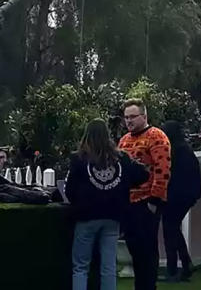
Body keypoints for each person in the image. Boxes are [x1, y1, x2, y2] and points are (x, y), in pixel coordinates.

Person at [66, 120, 149, 290]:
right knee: (109, 266)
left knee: (81, 266)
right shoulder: (121, 157)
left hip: (86, 216)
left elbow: (69, 189)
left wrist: (79, 202)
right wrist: (124, 186)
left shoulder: (79, 158)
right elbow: (143, 174)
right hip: (114, 216)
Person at [119, 99, 172, 290]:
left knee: (147, 251)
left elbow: (163, 170)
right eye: (126, 117)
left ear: (144, 116)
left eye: (133, 116)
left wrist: (154, 201)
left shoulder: (156, 137)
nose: (129, 121)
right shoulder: (124, 140)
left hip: (146, 203)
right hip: (128, 203)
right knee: (134, 250)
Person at [160, 121, 201, 283]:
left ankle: (173, 269)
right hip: (187, 195)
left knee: (170, 230)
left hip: (176, 196)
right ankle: (185, 264)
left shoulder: (174, 150)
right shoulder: (185, 149)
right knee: (173, 229)